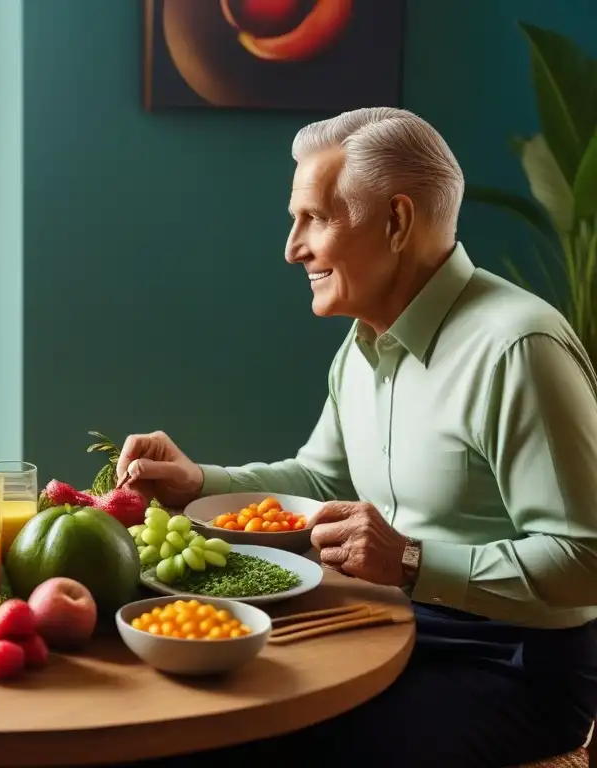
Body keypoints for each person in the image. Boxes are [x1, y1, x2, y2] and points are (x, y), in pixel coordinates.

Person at [117, 108, 597, 767]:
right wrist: (202, 483)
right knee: (200, 709)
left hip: (518, 670)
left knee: (275, 743)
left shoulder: (520, 347)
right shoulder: (364, 342)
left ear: (397, 223)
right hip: (395, 626)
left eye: (314, 218)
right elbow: (322, 481)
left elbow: (586, 559)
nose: (292, 247)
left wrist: (412, 563)